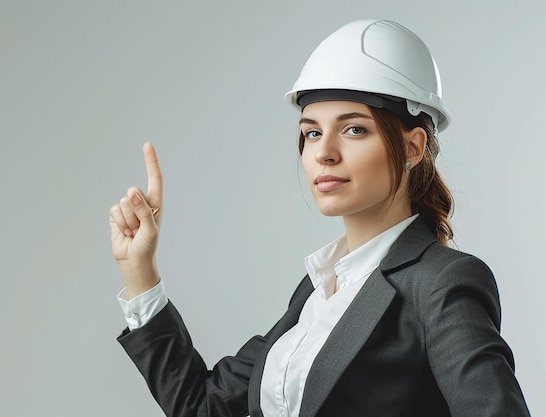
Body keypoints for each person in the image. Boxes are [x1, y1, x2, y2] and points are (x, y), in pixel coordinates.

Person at [108, 19, 531, 417]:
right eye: (312, 131)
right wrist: (139, 272)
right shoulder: (316, 293)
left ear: (413, 147)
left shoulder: (443, 282)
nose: (324, 151)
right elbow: (202, 407)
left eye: (353, 129)